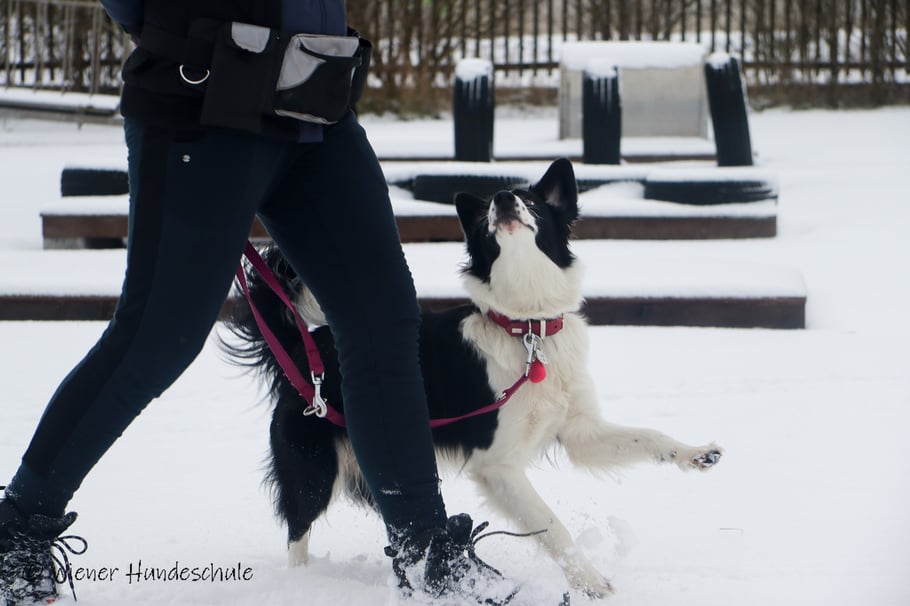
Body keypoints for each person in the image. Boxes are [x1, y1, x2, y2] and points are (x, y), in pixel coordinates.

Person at [0, 1, 528, 604]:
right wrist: (180, 32)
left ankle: (426, 550)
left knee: (383, 325)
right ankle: (18, 530)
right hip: (202, 100)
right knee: (158, 336)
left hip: (315, 107)